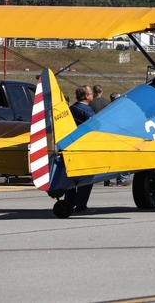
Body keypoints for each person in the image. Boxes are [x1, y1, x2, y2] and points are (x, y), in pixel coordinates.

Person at [65, 86, 96, 214]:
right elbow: (96, 126)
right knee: (86, 179)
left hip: (70, 147)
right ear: (86, 96)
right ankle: (81, 205)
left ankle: (69, 202)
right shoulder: (86, 110)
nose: (92, 95)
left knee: (71, 178)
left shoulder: (71, 108)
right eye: (91, 93)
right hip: (85, 147)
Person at [98, 88, 130, 187]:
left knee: (108, 160)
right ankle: (120, 179)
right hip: (118, 138)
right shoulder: (119, 111)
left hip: (107, 137)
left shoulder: (107, 109)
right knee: (121, 159)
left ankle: (107, 180)